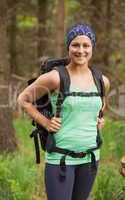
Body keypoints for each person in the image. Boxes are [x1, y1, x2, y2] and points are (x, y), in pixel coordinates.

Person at [17, 24, 110, 200]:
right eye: (75, 45)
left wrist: (98, 119)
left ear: (92, 48)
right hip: (61, 159)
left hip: (90, 158)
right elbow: (23, 99)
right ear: (68, 46)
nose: (80, 50)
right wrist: (44, 122)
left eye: (86, 45)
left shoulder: (101, 80)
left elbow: (101, 104)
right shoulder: (55, 77)